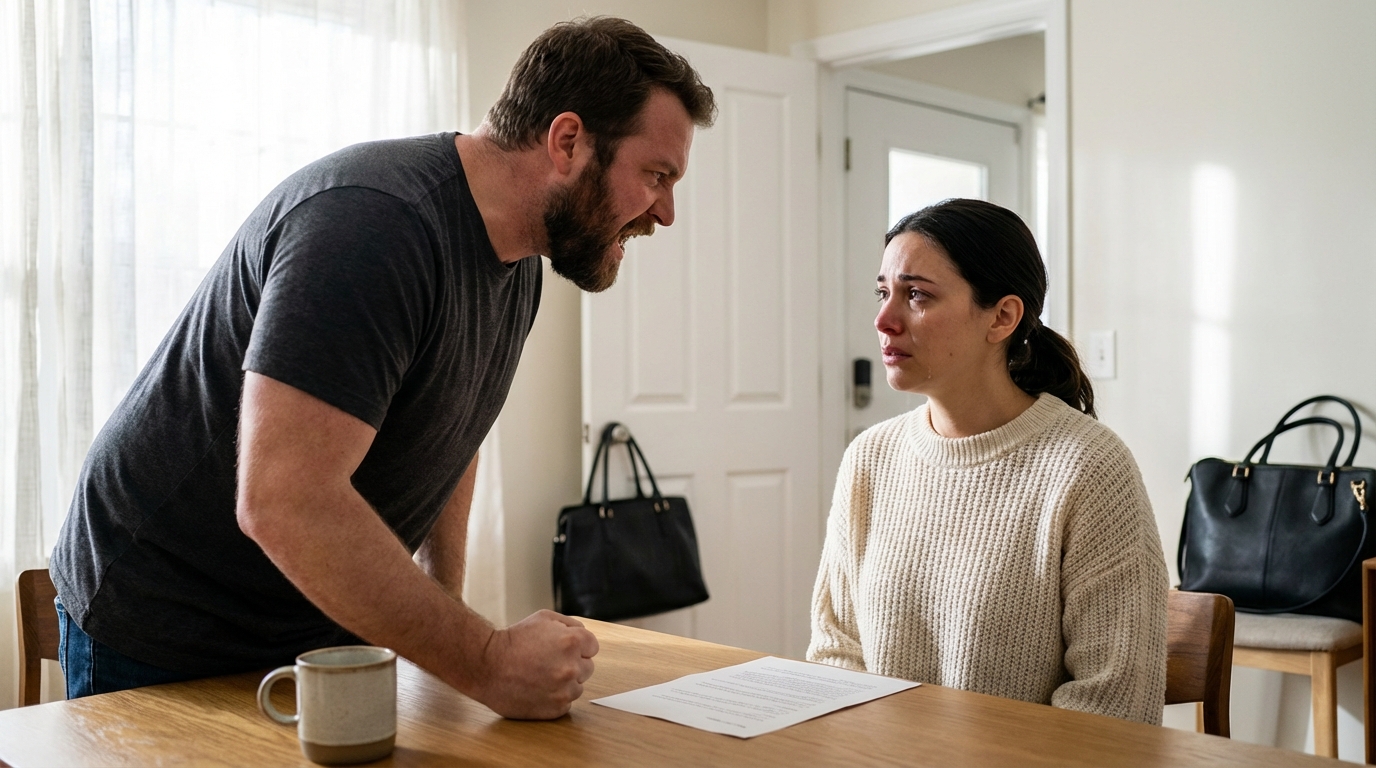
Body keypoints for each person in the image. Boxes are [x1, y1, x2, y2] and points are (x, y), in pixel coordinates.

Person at [50, 17, 715, 719]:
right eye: (657, 175)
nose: (665, 212)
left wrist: (444, 609)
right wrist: (481, 659)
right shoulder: (374, 226)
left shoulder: (516, 264)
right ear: (568, 141)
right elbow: (283, 498)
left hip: (309, 626)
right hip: (161, 629)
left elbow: (453, 434)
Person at [807, 199, 1168, 725]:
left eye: (917, 295)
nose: (884, 320)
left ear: (1002, 316)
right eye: (884, 292)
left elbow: (1113, 707)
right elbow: (837, 655)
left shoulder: (1089, 467)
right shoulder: (870, 458)